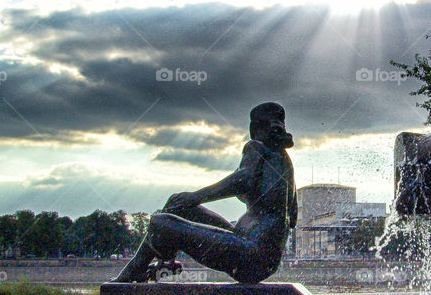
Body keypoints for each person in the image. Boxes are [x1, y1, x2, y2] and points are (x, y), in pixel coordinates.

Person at [113, 102, 297, 283]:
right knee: (177, 205)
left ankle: (142, 268)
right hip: (258, 255)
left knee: (160, 222)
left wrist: (196, 196)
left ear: (255, 127)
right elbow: (292, 217)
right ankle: (163, 264)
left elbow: (243, 180)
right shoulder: (285, 165)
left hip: (249, 256)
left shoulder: (257, 147)